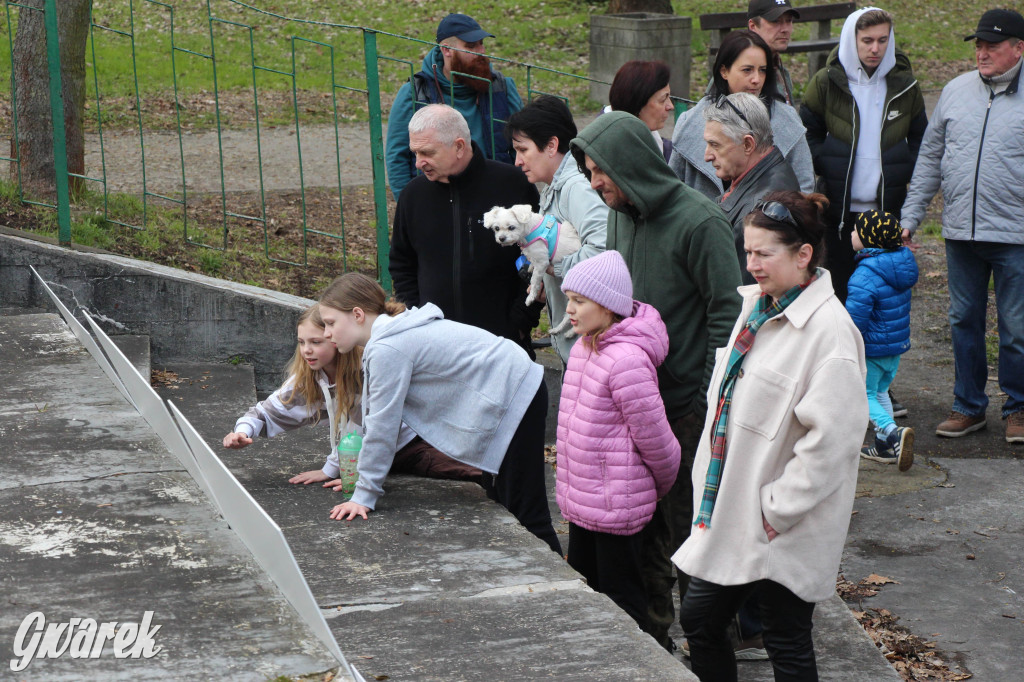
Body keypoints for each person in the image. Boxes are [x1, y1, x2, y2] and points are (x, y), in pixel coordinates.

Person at [674, 190, 868, 681]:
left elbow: (834, 442)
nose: (752, 264)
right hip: (739, 509)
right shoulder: (760, 305)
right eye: (748, 251)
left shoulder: (831, 334)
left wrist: (774, 510)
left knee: (785, 638)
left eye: (764, 253)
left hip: (779, 522)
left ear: (803, 255)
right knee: (702, 620)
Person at [570, 111, 742, 652]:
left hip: (686, 407)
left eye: (601, 171)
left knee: (691, 535)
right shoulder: (620, 212)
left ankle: (709, 646)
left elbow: (727, 315)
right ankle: (650, 647)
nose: (594, 183)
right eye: (590, 171)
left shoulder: (700, 222)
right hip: (630, 401)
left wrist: (704, 399)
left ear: (631, 166)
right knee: (639, 537)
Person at [319, 273, 561, 555]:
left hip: (517, 391)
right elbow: (375, 418)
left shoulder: (388, 348)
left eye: (331, 323)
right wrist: (358, 474)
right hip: (517, 387)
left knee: (525, 509)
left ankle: (573, 590)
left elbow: (382, 425)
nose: (326, 333)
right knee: (506, 499)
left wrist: (364, 495)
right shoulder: (392, 337)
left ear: (357, 314)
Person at [899, 9, 1024, 444]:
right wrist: (910, 217)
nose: (983, 52)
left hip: (1016, 236)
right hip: (960, 233)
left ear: (1018, 49)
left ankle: (1018, 407)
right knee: (962, 321)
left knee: (1017, 328)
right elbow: (930, 159)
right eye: (979, 45)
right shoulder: (955, 92)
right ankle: (969, 407)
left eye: (993, 45)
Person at [222, 305, 483, 489]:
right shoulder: (308, 381)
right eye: (301, 342)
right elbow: (266, 413)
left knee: (471, 467)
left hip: (414, 441)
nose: (307, 351)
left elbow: (363, 425)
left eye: (315, 342)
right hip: (373, 455)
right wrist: (243, 432)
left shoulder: (369, 368)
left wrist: (332, 468)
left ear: (335, 339)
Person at [556, 250, 681, 631]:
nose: (570, 310)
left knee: (622, 601)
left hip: (616, 503)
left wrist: (649, 487)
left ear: (608, 307)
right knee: (587, 593)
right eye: (569, 300)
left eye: (579, 301)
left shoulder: (627, 359)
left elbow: (657, 442)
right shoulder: (584, 346)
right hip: (584, 500)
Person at [388, 104, 542, 358]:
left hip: (501, 348)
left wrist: (519, 325)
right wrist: (416, 319)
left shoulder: (512, 186)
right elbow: (402, 264)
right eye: (415, 153)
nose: (418, 163)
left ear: (459, 146)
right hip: (433, 348)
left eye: (427, 152)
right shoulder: (413, 196)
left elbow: (537, 258)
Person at [800, 7, 927, 305]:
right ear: (851, 39)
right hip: (837, 213)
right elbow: (806, 132)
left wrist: (905, 168)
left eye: (883, 40)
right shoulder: (826, 82)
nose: (875, 48)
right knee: (837, 295)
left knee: (880, 298)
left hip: (885, 211)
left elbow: (923, 137)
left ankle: (876, 354)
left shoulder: (905, 85)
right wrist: (826, 163)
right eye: (867, 40)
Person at [505, 96, 609, 364]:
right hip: (579, 340)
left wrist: (554, 269)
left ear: (551, 145)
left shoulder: (577, 188)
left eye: (523, 150)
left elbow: (603, 252)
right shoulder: (554, 187)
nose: (517, 161)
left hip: (591, 345)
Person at [385, 13, 522, 200]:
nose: (481, 51)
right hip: (434, 198)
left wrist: (514, 196)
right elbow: (397, 157)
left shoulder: (501, 88)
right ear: (446, 50)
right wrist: (409, 207)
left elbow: (523, 145)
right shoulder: (416, 93)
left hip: (495, 198)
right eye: (471, 46)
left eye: (481, 43)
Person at [670, 30, 814, 200]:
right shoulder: (690, 122)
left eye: (762, 70)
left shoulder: (788, 121)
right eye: (747, 70)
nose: (756, 79)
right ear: (724, 71)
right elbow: (673, 189)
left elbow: (804, 189)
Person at [701, 92, 801, 282]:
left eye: (715, 145)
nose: (707, 156)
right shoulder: (772, 172)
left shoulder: (756, 213)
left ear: (748, 144)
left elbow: (741, 295)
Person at [846, 210, 918, 471]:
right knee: (879, 392)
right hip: (895, 348)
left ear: (869, 238)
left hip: (872, 349)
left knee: (863, 395)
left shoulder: (865, 275)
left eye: (856, 231)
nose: (852, 233)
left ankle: (892, 432)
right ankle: (884, 446)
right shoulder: (901, 264)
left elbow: (855, 320)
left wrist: (846, 343)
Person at [605, 60, 675, 162]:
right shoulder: (598, 151)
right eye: (663, 100)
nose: (670, 106)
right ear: (637, 103)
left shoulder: (656, 143)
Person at [746, 0, 800, 105]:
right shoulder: (738, 71)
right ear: (753, 26)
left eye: (788, 20)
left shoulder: (779, 68)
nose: (785, 29)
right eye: (776, 21)